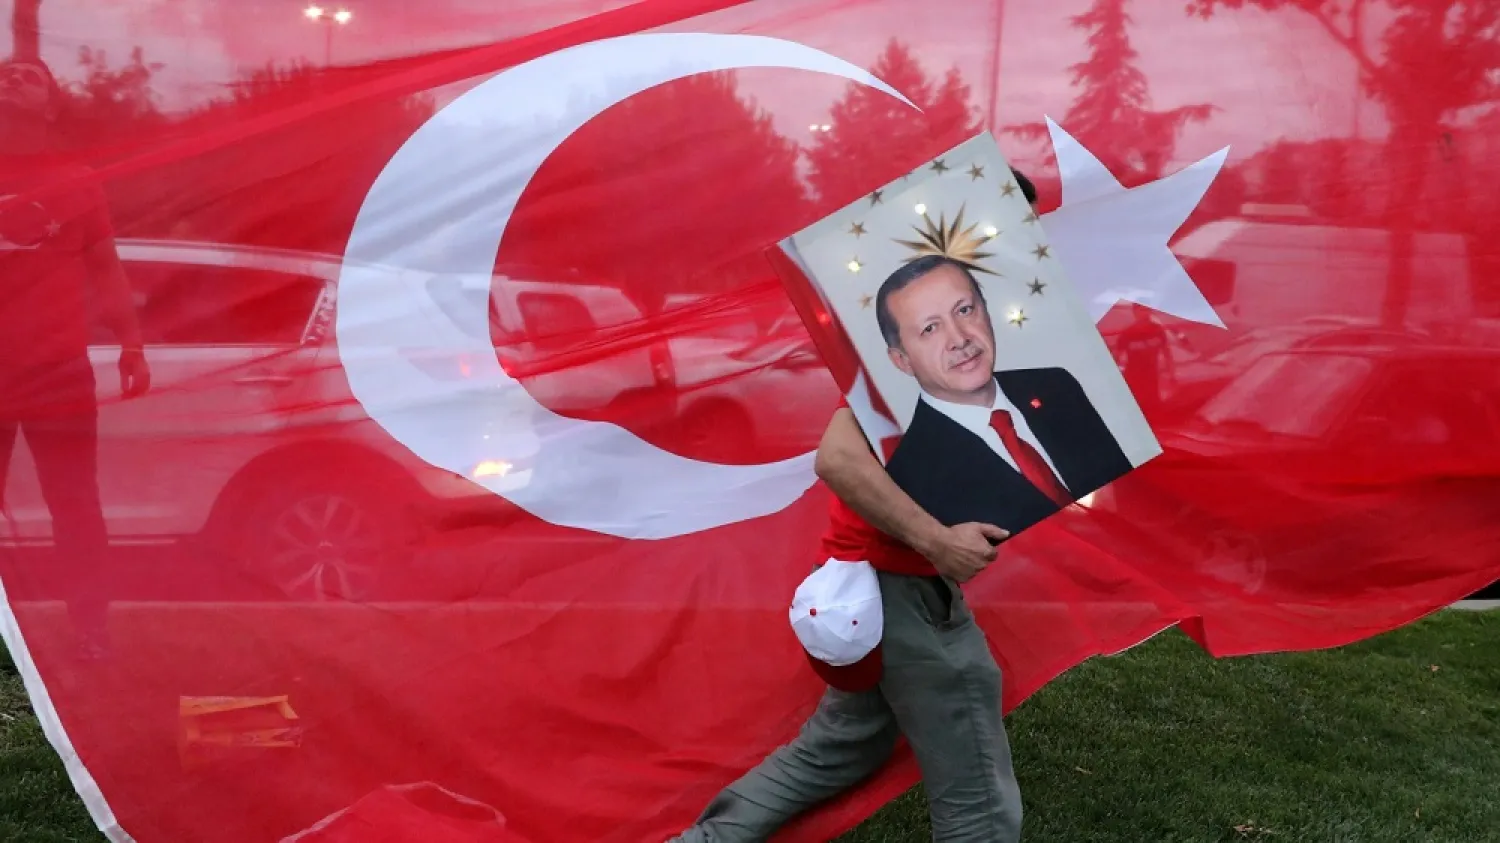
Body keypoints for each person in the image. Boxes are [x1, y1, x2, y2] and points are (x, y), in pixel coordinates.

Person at [0, 57, 150, 658]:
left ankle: (90, 629)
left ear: (51, 105)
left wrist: (131, 341)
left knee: (75, 503)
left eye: (32, 74)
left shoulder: (75, 179)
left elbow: (105, 268)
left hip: (56, 368)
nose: (13, 76)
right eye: (7, 71)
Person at [876, 252, 1132, 537]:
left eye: (964, 310)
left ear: (985, 311)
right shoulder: (910, 478)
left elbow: (1129, 493)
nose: (960, 339)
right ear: (902, 360)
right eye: (930, 329)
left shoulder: (1056, 386)